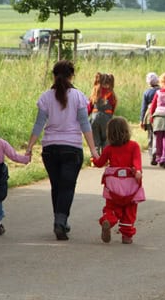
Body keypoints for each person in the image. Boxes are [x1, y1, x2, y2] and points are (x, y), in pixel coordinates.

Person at [26, 60, 98, 241]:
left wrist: (29, 147)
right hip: (72, 148)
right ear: (71, 75)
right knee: (67, 187)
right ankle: (60, 221)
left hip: (50, 149)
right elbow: (84, 124)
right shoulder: (79, 96)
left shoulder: (45, 97)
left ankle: (60, 221)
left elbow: (39, 124)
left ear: (54, 75)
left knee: (56, 186)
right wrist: (93, 150)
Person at [90, 117, 145, 245]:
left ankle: (108, 219)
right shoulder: (134, 146)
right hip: (130, 185)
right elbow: (137, 161)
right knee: (130, 210)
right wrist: (137, 171)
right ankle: (126, 235)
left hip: (113, 185)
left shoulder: (109, 149)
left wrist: (94, 158)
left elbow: (99, 163)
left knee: (111, 207)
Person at [88, 72, 117, 157]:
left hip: (94, 117)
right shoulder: (111, 93)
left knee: (95, 139)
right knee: (106, 139)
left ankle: (95, 159)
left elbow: (89, 106)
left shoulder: (95, 91)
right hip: (107, 118)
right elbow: (113, 106)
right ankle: (105, 158)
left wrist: (87, 114)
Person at [139, 72, 160, 165]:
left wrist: (141, 120)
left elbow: (143, 108)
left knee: (151, 136)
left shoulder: (147, 92)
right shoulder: (161, 91)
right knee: (159, 136)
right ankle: (159, 154)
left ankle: (152, 155)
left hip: (149, 116)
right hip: (159, 115)